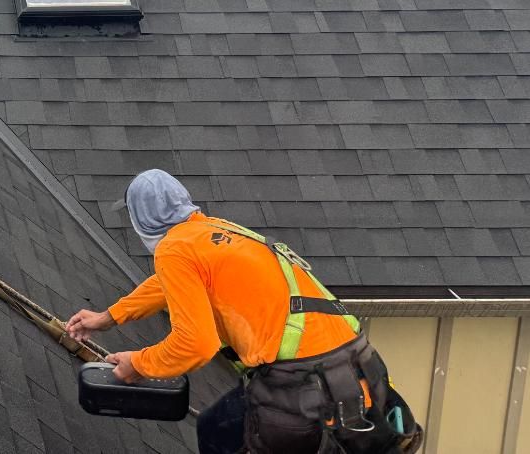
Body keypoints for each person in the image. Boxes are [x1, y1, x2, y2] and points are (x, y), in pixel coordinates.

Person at [65, 170, 420, 454]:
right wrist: (107, 318)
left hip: (303, 383)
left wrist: (138, 365)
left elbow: (197, 344)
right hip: (360, 366)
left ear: (140, 219)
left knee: (217, 432)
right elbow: (165, 285)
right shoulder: (213, 232)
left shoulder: (173, 249)